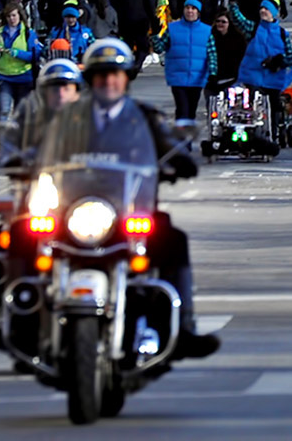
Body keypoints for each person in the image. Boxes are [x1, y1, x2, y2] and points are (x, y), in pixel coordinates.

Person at [38, 39, 219, 360]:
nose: (109, 81)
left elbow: (168, 146)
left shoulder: (144, 117)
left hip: (128, 209)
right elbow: (40, 151)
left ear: (126, 78)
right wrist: (23, 162)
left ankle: (183, 330)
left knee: (173, 240)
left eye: (116, 74)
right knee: (30, 236)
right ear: (91, 79)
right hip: (74, 210)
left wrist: (177, 160)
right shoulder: (69, 119)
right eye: (102, 75)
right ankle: (24, 316)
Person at [230, 0, 292, 149]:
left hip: (273, 79)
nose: (263, 11)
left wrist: (278, 61)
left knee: (275, 106)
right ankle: (253, 136)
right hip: (253, 76)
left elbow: (289, 58)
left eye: (267, 9)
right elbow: (239, 21)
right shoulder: (254, 28)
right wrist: (233, 6)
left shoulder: (282, 34)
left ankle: (274, 134)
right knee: (253, 106)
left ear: (274, 13)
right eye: (262, 8)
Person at [155, 0, 217, 121]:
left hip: (197, 78)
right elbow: (160, 48)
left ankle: (188, 136)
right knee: (182, 110)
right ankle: (182, 138)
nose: (190, 11)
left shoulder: (207, 31)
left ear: (198, 12)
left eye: (193, 8)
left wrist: (213, 73)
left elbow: (212, 54)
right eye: (187, 8)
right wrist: (155, 36)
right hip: (178, 77)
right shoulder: (172, 28)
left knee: (191, 111)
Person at [0, 2, 39, 120]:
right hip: (3, 77)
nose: (11, 19)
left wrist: (18, 53)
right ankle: (3, 138)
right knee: (3, 111)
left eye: (14, 15)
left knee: (22, 114)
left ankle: (20, 138)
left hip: (23, 77)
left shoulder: (28, 33)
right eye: (9, 16)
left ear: (20, 15)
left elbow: (35, 55)